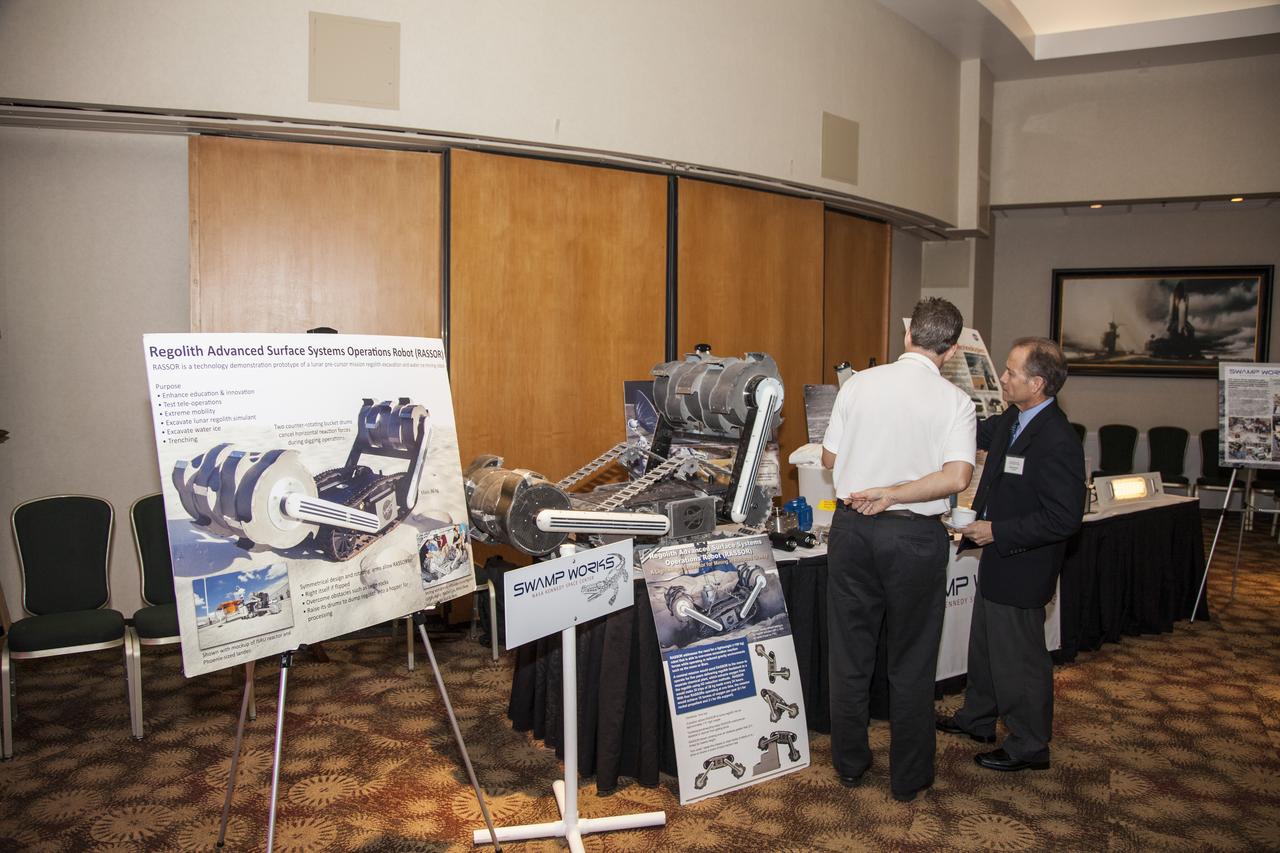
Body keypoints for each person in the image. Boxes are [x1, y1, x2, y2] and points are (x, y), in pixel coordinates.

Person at [821, 298, 976, 802]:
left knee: (850, 654)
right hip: (913, 537)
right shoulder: (956, 401)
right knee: (911, 660)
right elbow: (957, 476)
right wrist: (896, 492)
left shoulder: (858, 385)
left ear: (907, 336)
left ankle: (850, 764)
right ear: (951, 350)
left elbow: (829, 457)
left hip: (851, 529)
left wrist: (879, 481)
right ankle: (908, 777)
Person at [939, 337, 1085, 772]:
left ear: (1037, 383)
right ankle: (978, 718)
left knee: (1020, 660)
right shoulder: (1013, 418)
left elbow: (1064, 519)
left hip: (1023, 564)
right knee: (986, 648)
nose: (1001, 378)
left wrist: (996, 531)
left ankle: (1030, 744)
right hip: (999, 562)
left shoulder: (1057, 439)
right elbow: (972, 432)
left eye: (1010, 372)